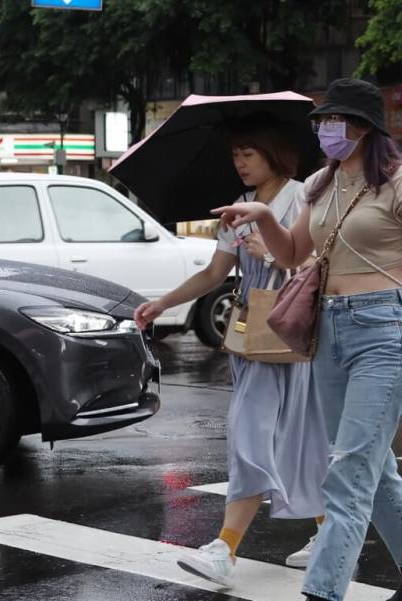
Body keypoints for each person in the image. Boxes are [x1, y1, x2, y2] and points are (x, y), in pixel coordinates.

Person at [212, 78, 402, 601]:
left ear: (363, 128)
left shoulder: (397, 182)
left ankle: (322, 592)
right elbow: (294, 254)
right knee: (376, 473)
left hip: (382, 329)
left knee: (346, 473)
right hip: (328, 331)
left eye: (333, 121)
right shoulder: (320, 183)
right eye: (320, 121)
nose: (323, 130)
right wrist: (266, 217)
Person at [134, 115, 328, 587]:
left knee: (277, 439)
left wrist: (270, 251)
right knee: (276, 439)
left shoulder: (304, 196)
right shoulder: (237, 206)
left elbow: (319, 259)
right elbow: (215, 273)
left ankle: (225, 548)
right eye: (235, 156)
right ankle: (327, 532)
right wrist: (162, 303)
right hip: (252, 336)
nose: (240, 164)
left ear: (273, 153)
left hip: (293, 332)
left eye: (248, 154)